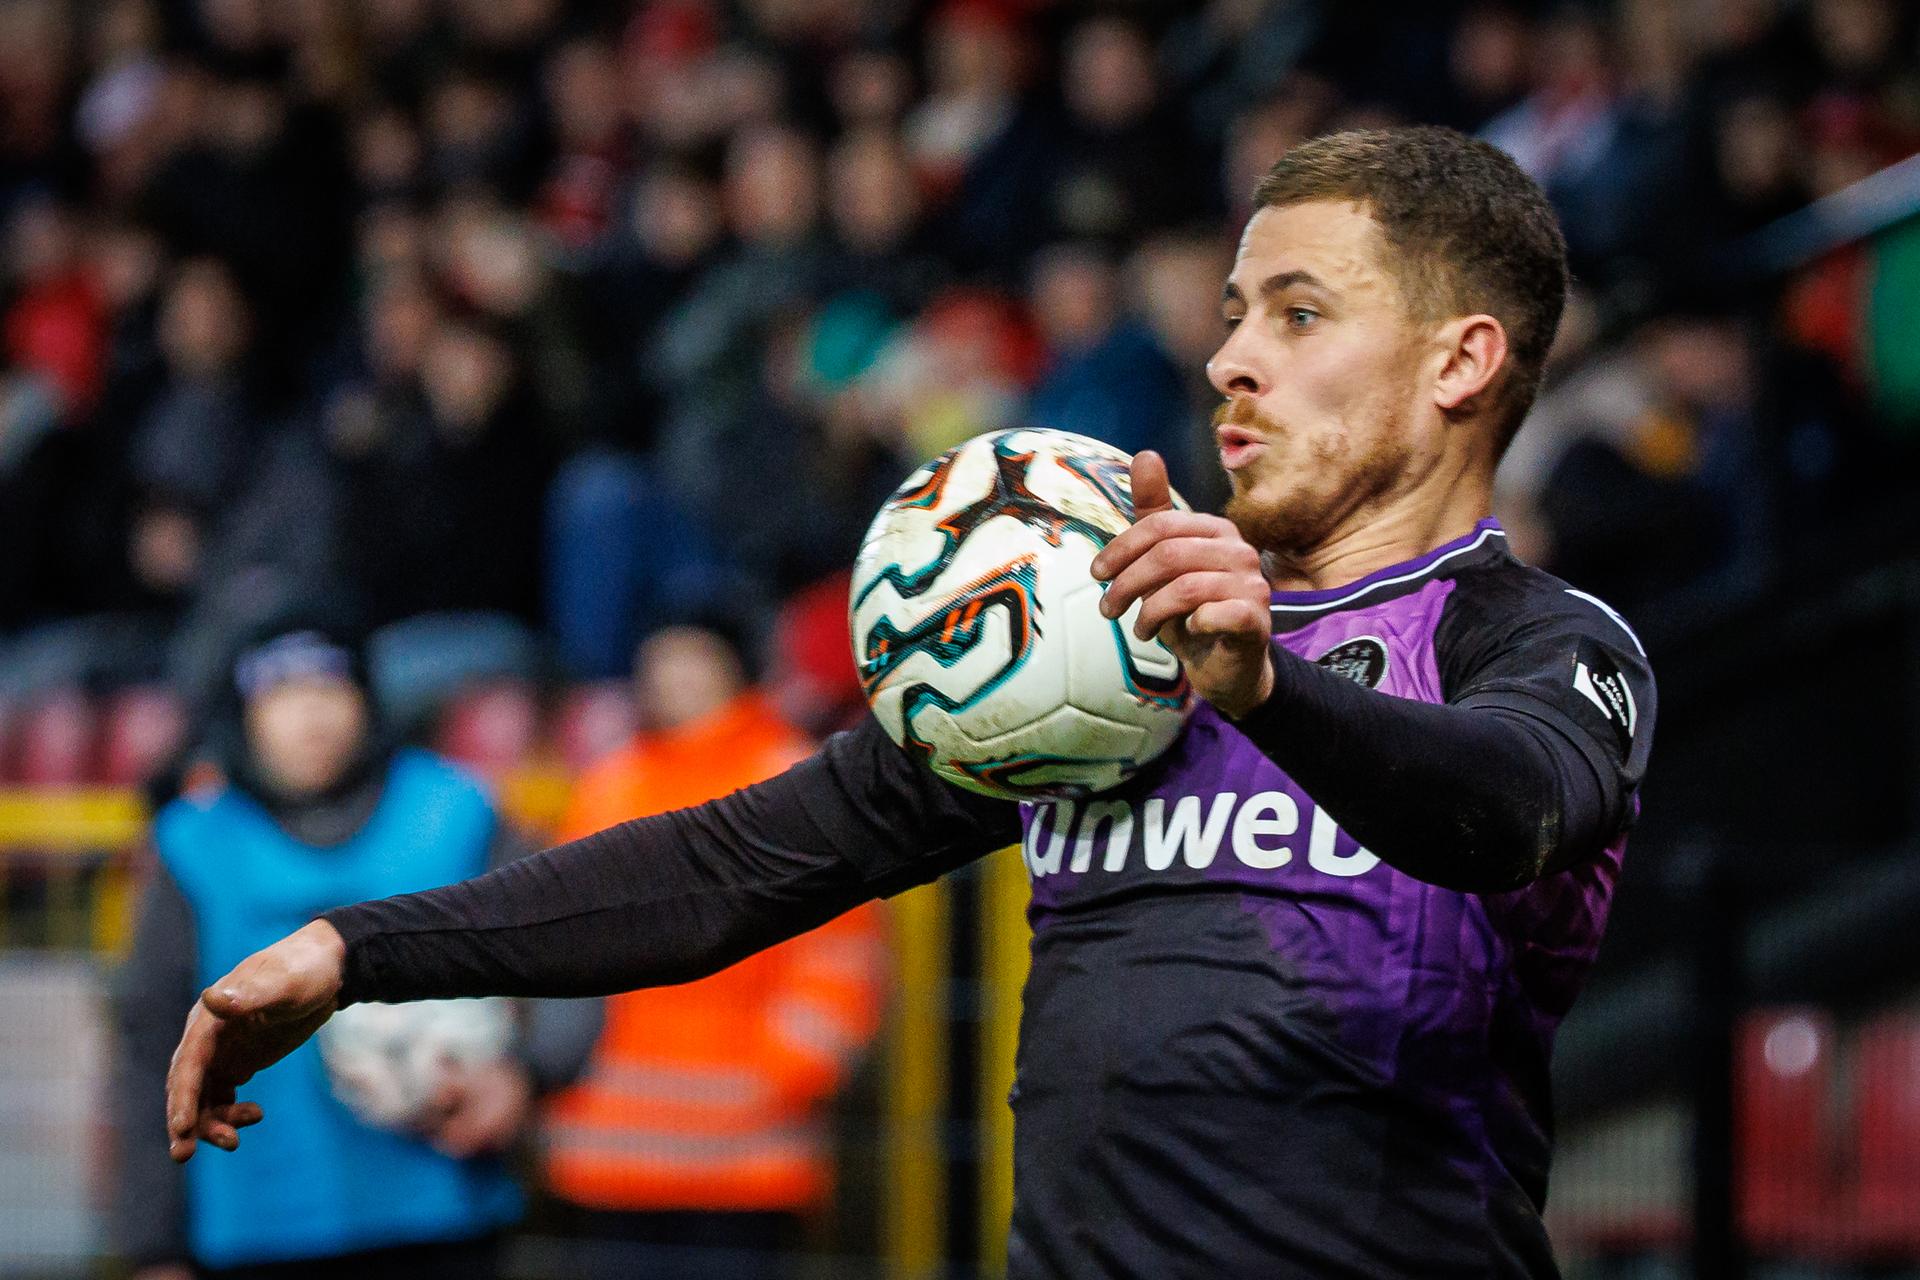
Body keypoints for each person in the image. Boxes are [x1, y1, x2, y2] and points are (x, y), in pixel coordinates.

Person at [163, 127, 1658, 1279]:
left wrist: (1264, 692)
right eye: (1229, 312)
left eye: (1298, 312)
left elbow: (1501, 813)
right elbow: (732, 865)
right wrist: (353, 951)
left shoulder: (1537, 643)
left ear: (1462, 360)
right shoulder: (1103, 646)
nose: (1227, 358)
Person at [111, 617, 602, 1280]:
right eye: (282, 692)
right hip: (262, 1223)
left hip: (443, 1214)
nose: (311, 712)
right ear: (244, 712)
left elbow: (571, 945)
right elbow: (149, 1042)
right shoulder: (193, 844)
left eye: (330, 686)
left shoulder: (453, 811)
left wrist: (526, 1075)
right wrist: (155, 1247)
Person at [540, 624, 885, 1279]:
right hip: (613, 1147)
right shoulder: (609, 785)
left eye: (696, 656)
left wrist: (780, 1074)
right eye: (661, 658)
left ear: (736, 665)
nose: (677, 677)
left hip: (746, 1153)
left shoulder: (792, 780)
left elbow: (840, 955)